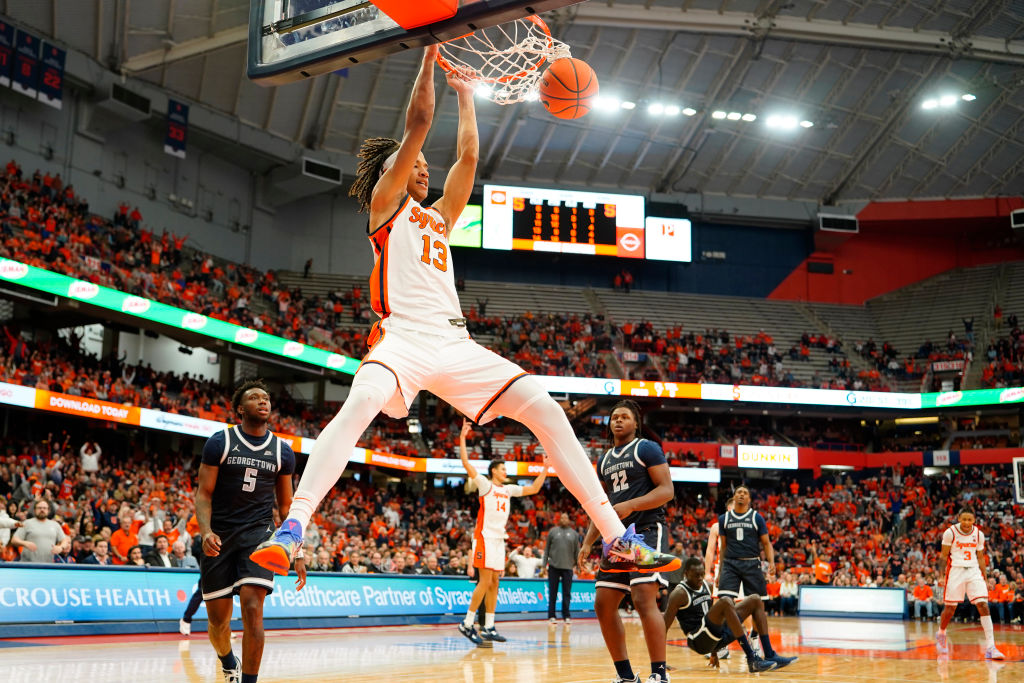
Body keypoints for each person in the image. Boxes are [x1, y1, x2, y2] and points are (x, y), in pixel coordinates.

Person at [250, 45, 677, 582]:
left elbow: (468, 159)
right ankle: (292, 528)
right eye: (415, 163)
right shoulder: (386, 208)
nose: (424, 169)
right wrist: (429, 53)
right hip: (403, 339)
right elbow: (420, 124)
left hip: (455, 344)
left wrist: (466, 94)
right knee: (357, 406)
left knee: (546, 409)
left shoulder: (438, 219)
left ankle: (616, 538)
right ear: (392, 171)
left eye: (427, 165)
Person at [197, 379, 307, 683]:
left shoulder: (283, 451)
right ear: (239, 410)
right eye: (255, 397)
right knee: (218, 623)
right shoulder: (220, 442)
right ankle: (227, 659)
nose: (263, 401)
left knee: (252, 606)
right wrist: (205, 531)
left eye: (266, 397)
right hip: (219, 535)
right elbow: (203, 494)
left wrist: (298, 550)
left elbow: (287, 508)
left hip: (259, 535)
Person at [578, 400, 675, 683]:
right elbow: (602, 504)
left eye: (624, 417)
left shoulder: (645, 448)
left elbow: (667, 491)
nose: (618, 421)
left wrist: (630, 506)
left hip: (646, 529)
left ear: (636, 423)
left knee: (644, 598)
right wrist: (587, 543)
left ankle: (659, 675)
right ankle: (626, 677)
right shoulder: (604, 459)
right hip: (616, 537)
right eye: (614, 417)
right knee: (603, 603)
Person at [457, 419, 546, 644]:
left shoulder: (508, 489)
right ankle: (467, 623)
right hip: (484, 538)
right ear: (494, 471)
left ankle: (488, 626)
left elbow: (534, 488)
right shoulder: (485, 485)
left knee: (495, 582)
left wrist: (546, 468)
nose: (506, 471)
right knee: (485, 581)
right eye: (503, 468)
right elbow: (466, 463)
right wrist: (463, 437)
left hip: (499, 540)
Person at [663, 557, 795, 672]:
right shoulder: (679, 594)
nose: (700, 579)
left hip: (714, 639)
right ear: (686, 574)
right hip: (698, 640)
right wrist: (660, 663)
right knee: (725, 601)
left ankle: (769, 654)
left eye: (702, 574)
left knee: (755, 599)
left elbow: (710, 618)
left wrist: (714, 652)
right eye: (696, 575)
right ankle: (751, 658)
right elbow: (664, 627)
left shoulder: (706, 585)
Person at [935, 509, 1004, 659]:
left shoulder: (978, 534)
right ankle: (941, 632)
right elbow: (943, 556)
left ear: (974, 521)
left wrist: (985, 579)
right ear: (959, 518)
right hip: (955, 571)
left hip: (973, 571)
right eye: (964, 519)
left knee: (983, 605)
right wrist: (941, 575)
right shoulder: (950, 532)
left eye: (969, 520)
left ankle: (991, 647)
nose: (966, 522)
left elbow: (980, 557)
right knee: (950, 609)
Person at [717, 487, 774, 657]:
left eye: (745, 493)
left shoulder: (757, 518)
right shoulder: (724, 519)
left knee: (758, 605)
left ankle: (755, 638)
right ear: (734, 497)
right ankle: (720, 645)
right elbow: (723, 548)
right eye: (739, 492)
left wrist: (771, 562)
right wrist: (720, 571)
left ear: (749, 499)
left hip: (751, 563)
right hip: (730, 564)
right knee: (724, 603)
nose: (741, 494)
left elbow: (766, 543)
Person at [543, 512, 580, 624]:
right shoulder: (553, 532)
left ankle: (566, 615)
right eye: (562, 517)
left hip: (568, 567)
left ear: (569, 520)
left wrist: (578, 566)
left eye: (566, 517)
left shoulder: (574, 534)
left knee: (567, 593)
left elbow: (577, 552)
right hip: (553, 566)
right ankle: (551, 616)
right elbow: (546, 550)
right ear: (559, 519)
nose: (564, 519)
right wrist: (544, 565)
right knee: (552, 592)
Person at [10, 499, 65, 563]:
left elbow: (65, 540)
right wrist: (25, 543)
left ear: (48, 510)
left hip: (48, 565)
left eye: (44, 508)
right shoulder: (27, 523)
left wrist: (61, 547)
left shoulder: (55, 525)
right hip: (28, 565)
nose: (42, 510)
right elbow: (14, 540)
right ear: (34, 510)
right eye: (39, 508)